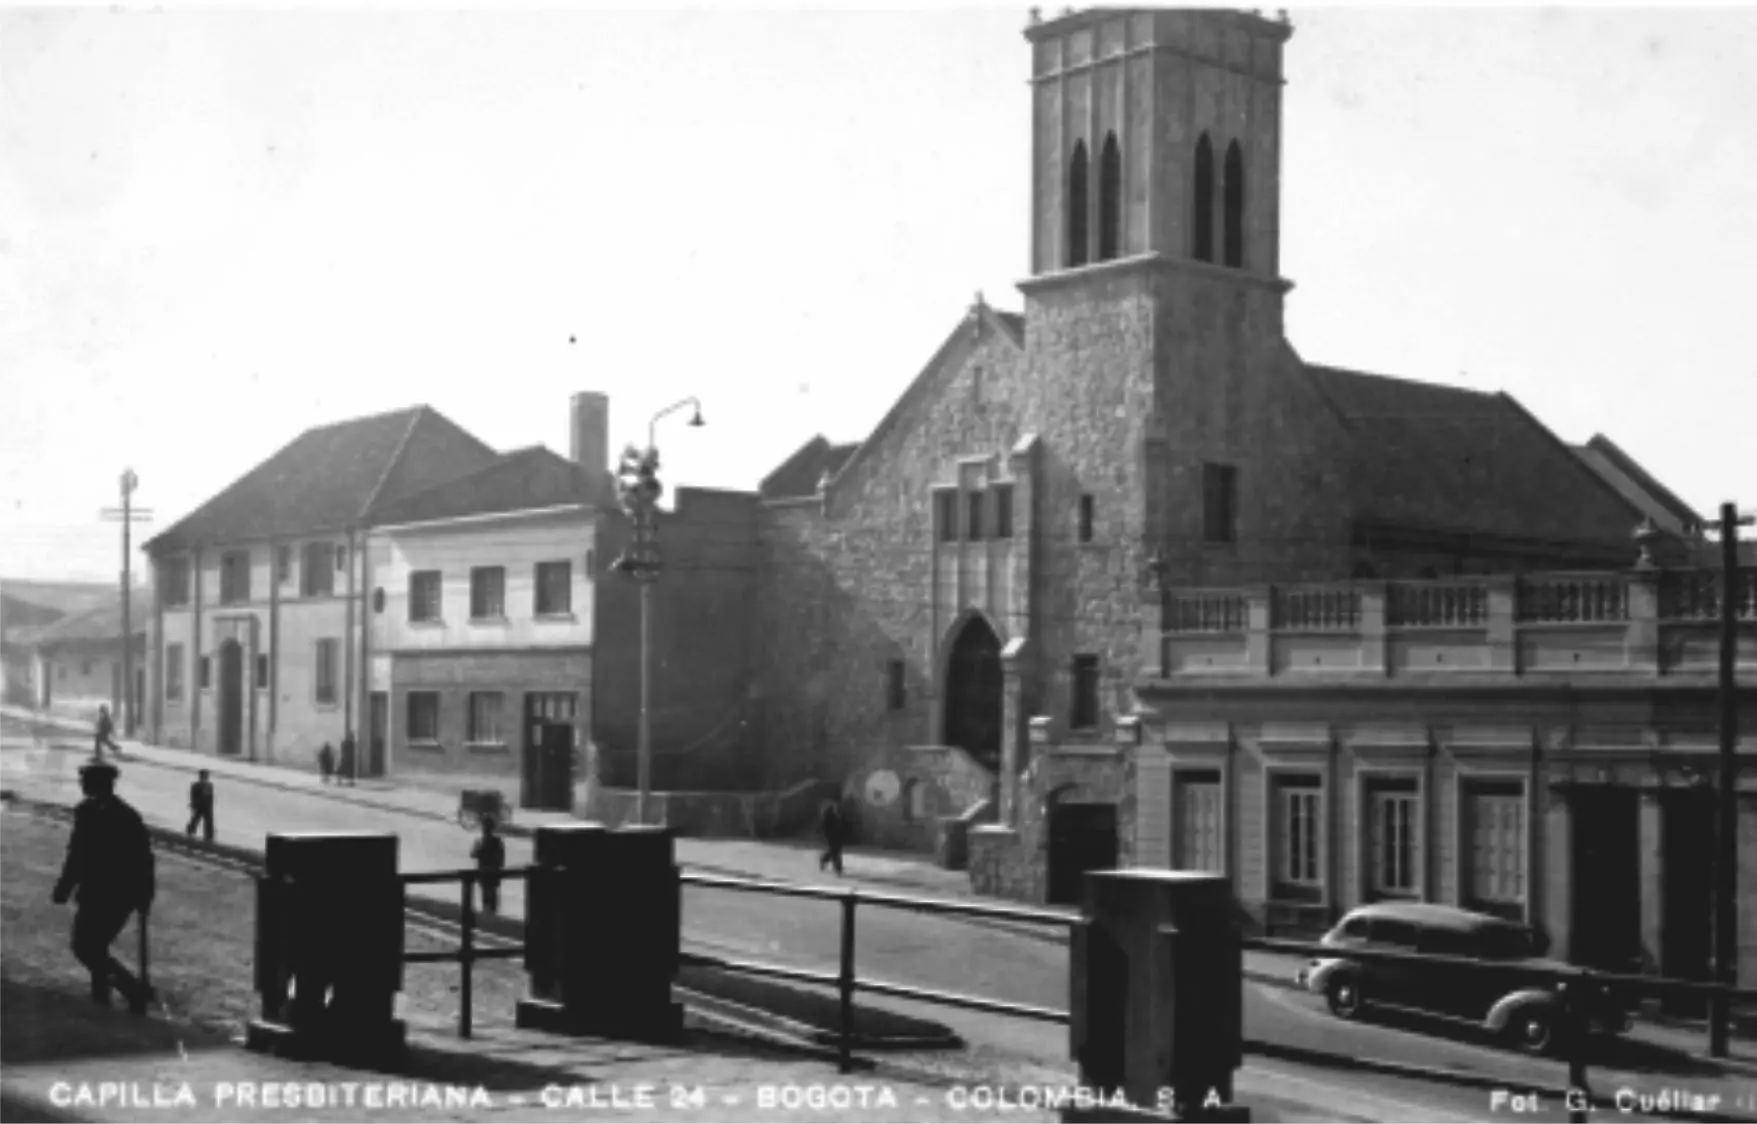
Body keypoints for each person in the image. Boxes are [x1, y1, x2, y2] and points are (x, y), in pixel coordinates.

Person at [53, 760, 156, 1015]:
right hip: (92, 892)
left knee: (88, 947)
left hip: (119, 894)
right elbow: (77, 853)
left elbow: (143, 859)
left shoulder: (127, 817)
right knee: (90, 946)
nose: (82, 785)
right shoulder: (85, 811)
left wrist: (145, 896)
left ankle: (130, 990)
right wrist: (65, 886)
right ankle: (107, 996)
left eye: (86, 781)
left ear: (102, 783)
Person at [470, 816, 506, 915]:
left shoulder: (481, 841)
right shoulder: (496, 841)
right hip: (491, 873)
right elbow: (501, 859)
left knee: (487, 894)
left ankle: (489, 912)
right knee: (490, 894)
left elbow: (473, 854)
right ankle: (491, 912)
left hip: (486, 873)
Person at [186, 769, 215, 843]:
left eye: (206, 776)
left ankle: (209, 837)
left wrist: (211, 807)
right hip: (199, 806)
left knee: (208, 822)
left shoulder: (209, 786)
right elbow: (193, 796)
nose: (205, 778)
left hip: (207, 807)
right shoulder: (196, 785)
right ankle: (190, 832)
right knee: (195, 820)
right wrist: (193, 804)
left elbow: (211, 798)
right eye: (204, 776)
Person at [818, 798, 845, 876]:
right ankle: (837, 868)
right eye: (834, 807)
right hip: (832, 836)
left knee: (835, 851)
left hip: (836, 836)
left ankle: (825, 861)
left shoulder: (835, 815)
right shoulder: (829, 816)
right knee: (835, 851)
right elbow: (827, 827)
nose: (836, 808)